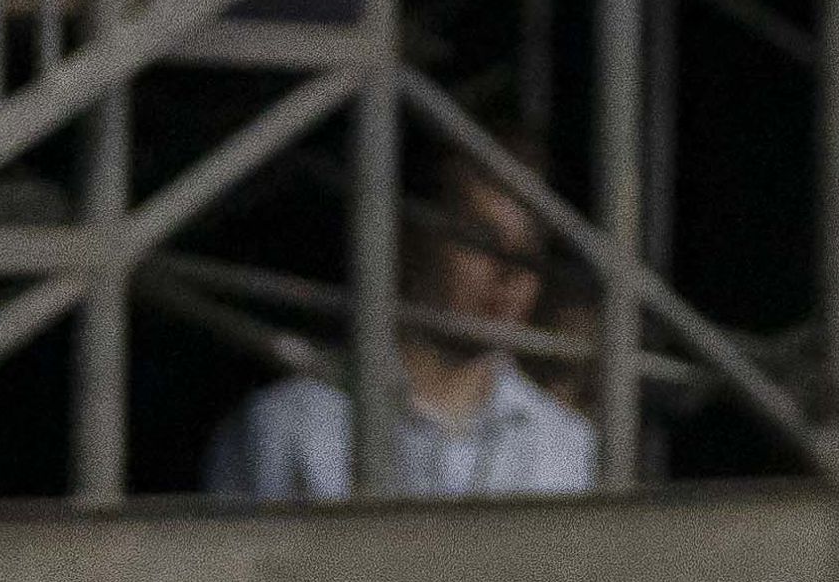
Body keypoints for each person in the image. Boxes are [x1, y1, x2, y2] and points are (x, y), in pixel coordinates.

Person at [202, 152, 603, 500]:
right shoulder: (288, 428)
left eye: (531, 252)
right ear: (409, 239)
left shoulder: (567, 447)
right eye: (480, 239)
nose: (511, 271)